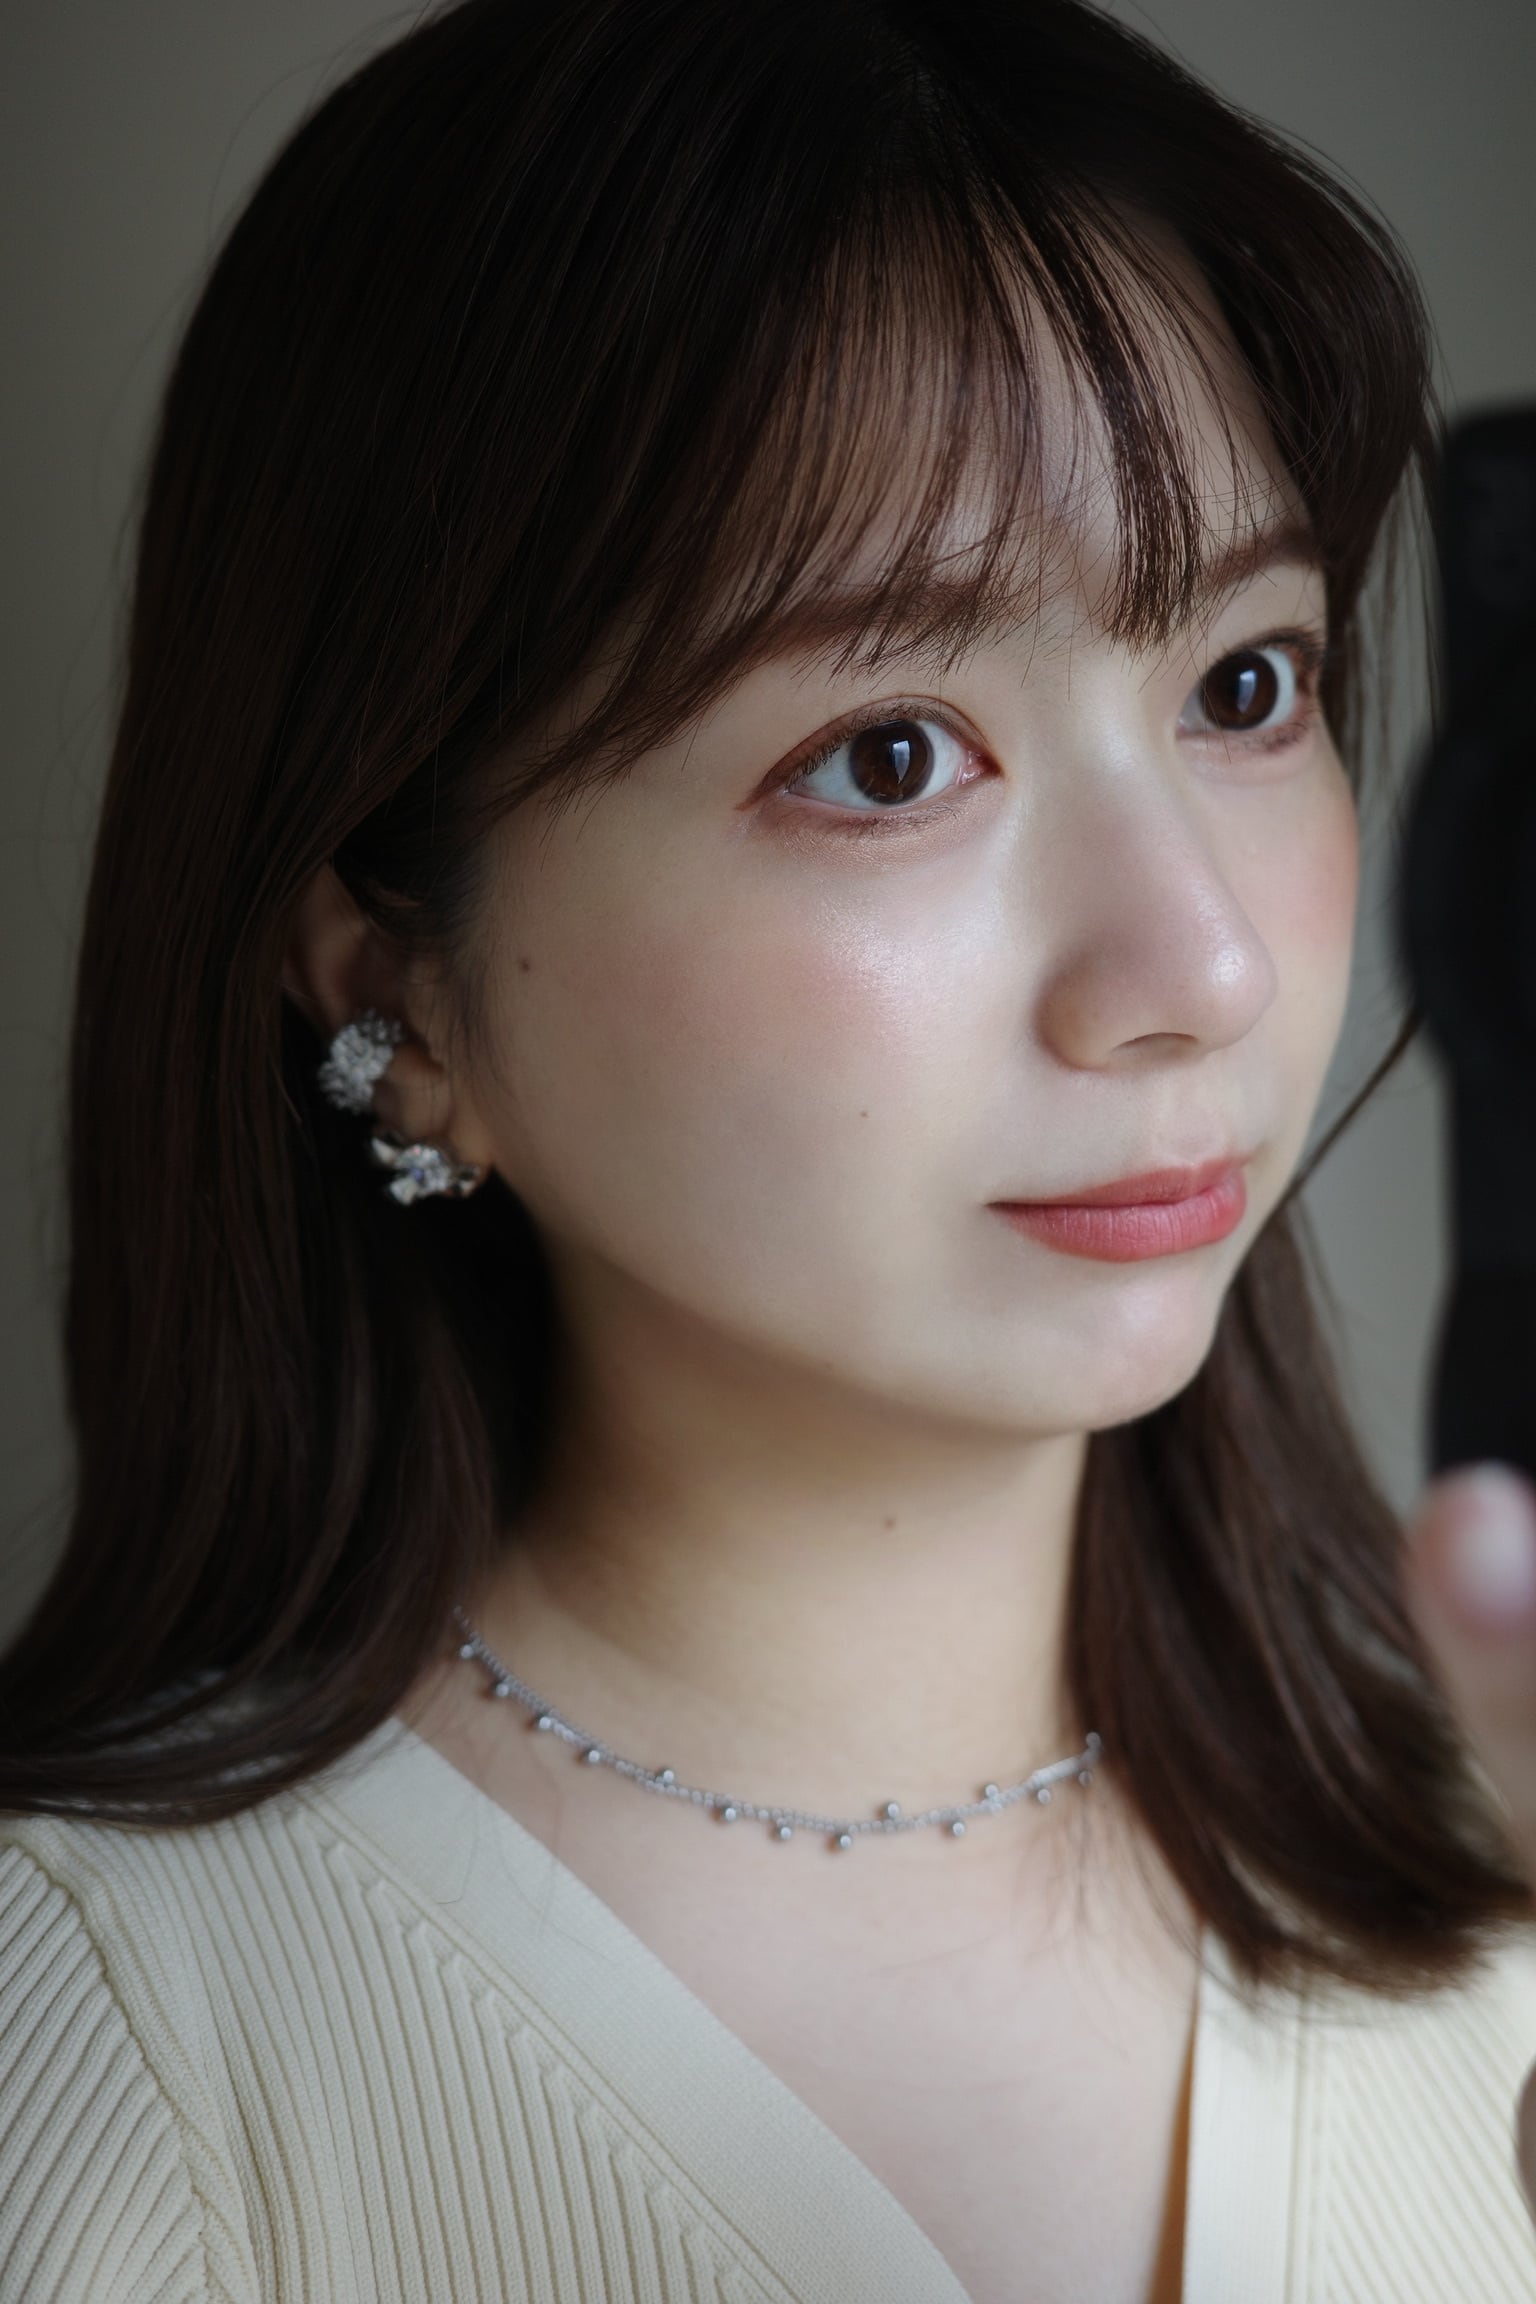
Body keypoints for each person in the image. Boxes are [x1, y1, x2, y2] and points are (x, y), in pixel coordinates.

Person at [3, 1, 1536, 2298]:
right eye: (890, 755)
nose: (1197, 968)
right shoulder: (113, 2036)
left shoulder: (1490, 1899)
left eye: (1245, 683)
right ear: (398, 987)